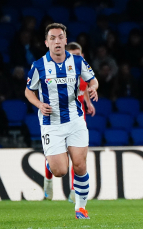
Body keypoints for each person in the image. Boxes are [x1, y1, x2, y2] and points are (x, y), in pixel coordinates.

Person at [25, 23, 98, 219]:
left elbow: (92, 79)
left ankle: (81, 208)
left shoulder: (77, 62)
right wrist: (39, 104)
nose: (57, 41)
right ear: (46, 42)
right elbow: (28, 91)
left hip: (75, 119)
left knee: (80, 166)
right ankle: (50, 165)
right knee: (60, 171)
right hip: (52, 124)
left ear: (65, 40)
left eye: (60, 37)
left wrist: (93, 87)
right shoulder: (38, 66)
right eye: (53, 38)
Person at [43, 42, 96, 204]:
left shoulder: (83, 71)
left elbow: (85, 87)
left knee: (78, 157)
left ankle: (74, 192)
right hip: (59, 120)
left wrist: (88, 103)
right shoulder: (59, 73)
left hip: (78, 118)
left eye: (79, 55)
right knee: (61, 159)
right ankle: (49, 176)